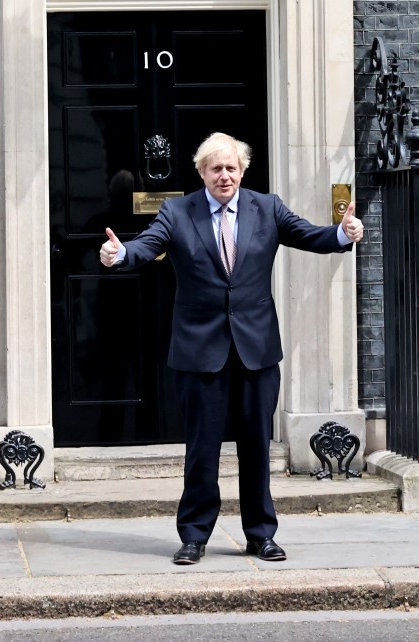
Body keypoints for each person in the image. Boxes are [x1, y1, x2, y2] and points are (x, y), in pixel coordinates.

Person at [99, 132, 364, 565]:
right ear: (201, 172)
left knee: (256, 446)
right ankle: (194, 535)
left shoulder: (268, 207)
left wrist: (342, 232)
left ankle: (261, 534)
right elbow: (147, 246)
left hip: (256, 350)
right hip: (200, 351)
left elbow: (310, 236)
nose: (224, 175)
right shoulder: (177, 211)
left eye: (231, 168)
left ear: (243, 171)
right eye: (215, 168)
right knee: (202, 448)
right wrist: (119, 254)